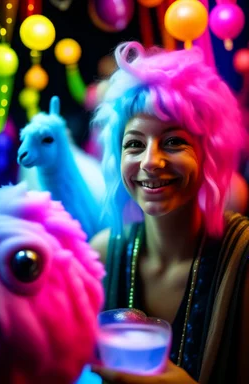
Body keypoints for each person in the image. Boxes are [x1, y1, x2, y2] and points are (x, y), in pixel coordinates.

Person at [89, 41, 249, 384]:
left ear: (209, 152)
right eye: (134, 143)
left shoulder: (243, 260)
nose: (150, 161)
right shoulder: (102, 253)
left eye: (174, 141)